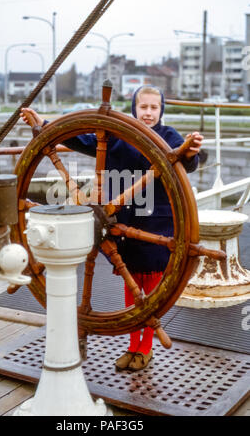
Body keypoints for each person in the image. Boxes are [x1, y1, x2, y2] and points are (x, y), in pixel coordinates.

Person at [20, 85, 203, 372]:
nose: (148, 112)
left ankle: (144, 349)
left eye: (154, 107)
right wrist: (43, 124)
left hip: (158, 225)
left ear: (161, 110)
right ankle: (133, 347)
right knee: (131, 291)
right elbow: (81, 138)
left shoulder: (168, 136)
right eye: (143, 107)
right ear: (134, 108)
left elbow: (187, 162)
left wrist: (191, 151)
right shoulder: (115, 135)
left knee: (152, 291)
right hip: (122, 226)